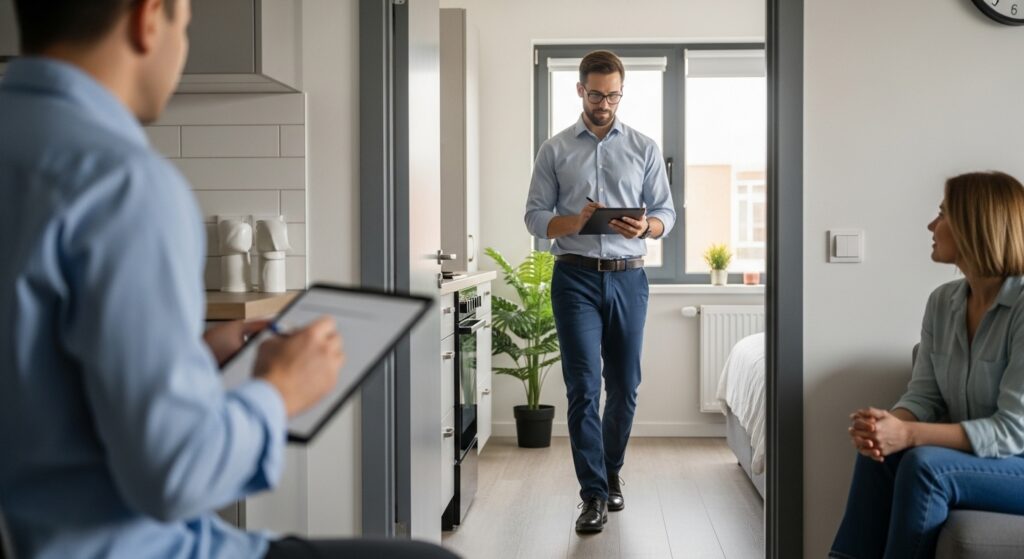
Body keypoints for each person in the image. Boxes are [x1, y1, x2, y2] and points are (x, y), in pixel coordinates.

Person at [0, 1, 457, 558]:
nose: (183, 49)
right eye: (185, 28)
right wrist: (278, 392)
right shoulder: (123, 184)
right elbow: (176, 476)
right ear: (148, 20)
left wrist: (190, 356)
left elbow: (41, 375)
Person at [831, 171, 1024, 558]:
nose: (931, 225)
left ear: (975, 224)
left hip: (1016, 463)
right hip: (980, 458)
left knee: (925, 465)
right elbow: (925, 395)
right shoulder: (943, 302)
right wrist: (888, 427)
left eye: (942, 213)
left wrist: (911, 435)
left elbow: (1012, 432)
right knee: (879, 454)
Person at [524, 50, 676, 534]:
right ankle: (591, 494)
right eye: (596, 94)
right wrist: (574, 221)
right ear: (580, 91)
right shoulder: (554, 150)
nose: (604, 103)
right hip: (574, 278)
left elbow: (667, 214)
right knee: (583, 388)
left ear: (621, 93)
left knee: (625, 386)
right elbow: (533, 216)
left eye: (612, 95)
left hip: (629, 277)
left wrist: (646, 226)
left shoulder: (645, 147)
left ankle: (612, 473)